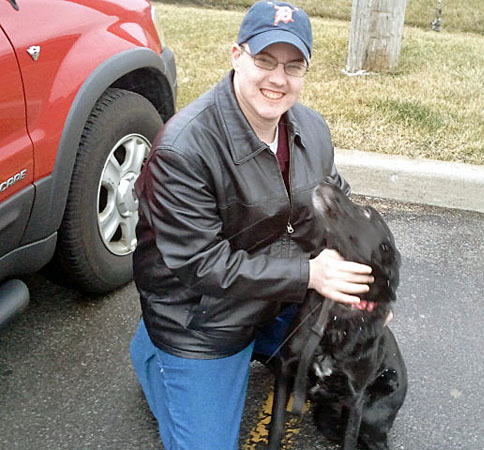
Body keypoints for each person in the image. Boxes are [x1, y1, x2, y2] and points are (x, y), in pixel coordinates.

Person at [129, 1, 375, 449]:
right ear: (237, 56)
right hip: (202, 316)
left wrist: (370, 291)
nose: (278, 79)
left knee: (362, 333)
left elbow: (339, 209)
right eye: (264, 60)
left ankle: (263, 342)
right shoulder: (183, 149)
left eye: (293, 66)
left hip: (279, 294)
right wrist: (310, 274)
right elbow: (202, 266)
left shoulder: (311, 128)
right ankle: (155, 351)